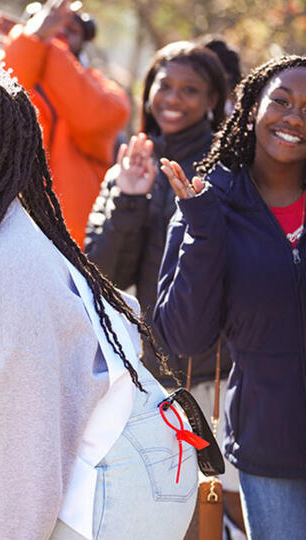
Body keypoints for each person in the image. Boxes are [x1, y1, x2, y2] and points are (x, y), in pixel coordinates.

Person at [0, 47, 198, 539]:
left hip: (109, 478)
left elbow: (18, 439)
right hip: (72, 463)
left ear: (1, 152)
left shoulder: (3, 269)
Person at [84, 41, 241, 535]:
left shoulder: (230, 169)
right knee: (168, 509)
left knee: (220, 506)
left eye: (190, 89)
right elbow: (101, 273)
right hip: (150, 376)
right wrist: (129, 197)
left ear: (213, 99)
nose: (174, 98)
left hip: (214, 371)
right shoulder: (129, 163)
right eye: (164, 85)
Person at [154, 55, 306, 539]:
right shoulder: (210, 202)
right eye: (280, 101)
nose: (294, 116)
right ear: (250, 109)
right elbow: (183, 335)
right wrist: (204, 232)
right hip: (270, 446)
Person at [0, 0, 130, 244]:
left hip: (77, 241)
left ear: (86, 38)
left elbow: (92, 118)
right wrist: (29, 42)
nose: (57, 33)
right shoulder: (10, 65)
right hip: (11, 231)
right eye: (50, 26)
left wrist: (39, 42)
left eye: (68, 30)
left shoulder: (106, 92)